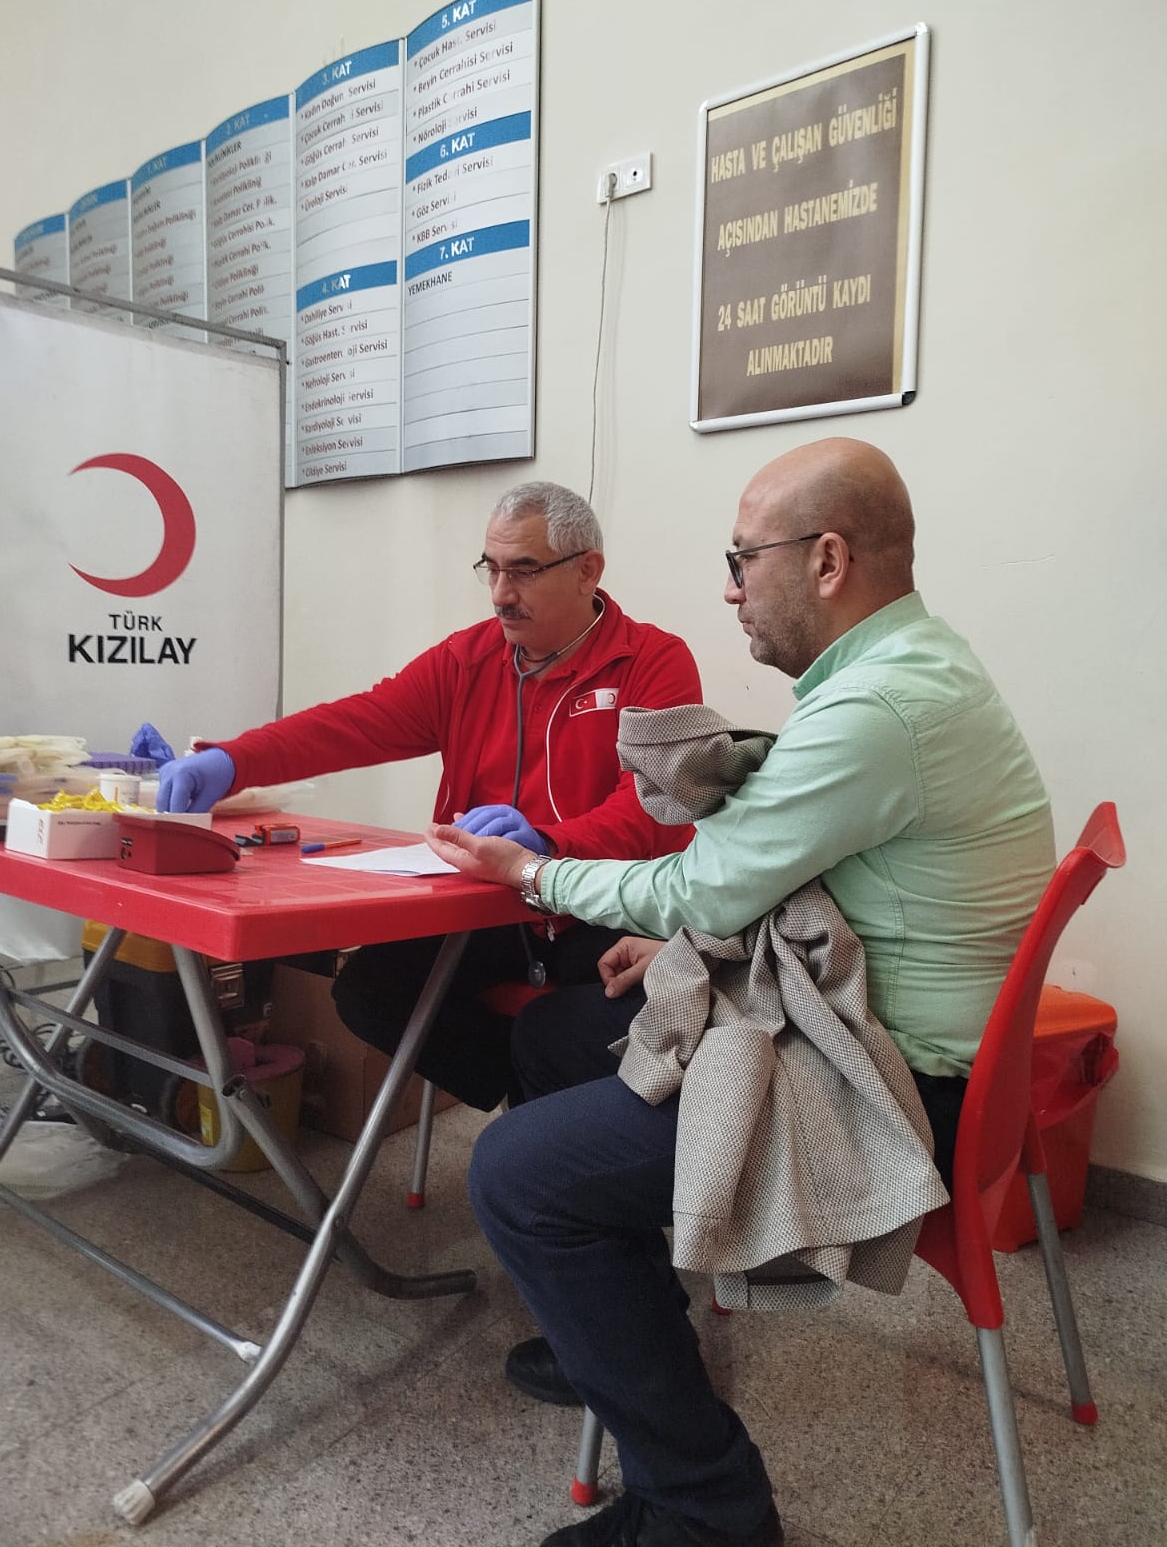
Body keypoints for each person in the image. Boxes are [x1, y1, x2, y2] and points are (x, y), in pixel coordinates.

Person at [425, 438, 1055, 1547]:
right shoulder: (908, 669)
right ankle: (620, 1327)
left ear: (826, 561)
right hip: (895, 1040)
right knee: (560, 1035)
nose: (729, 589)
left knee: (517, 1175)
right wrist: (685, 939)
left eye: (741, 559)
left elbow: (704, 879)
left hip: (895, 1089)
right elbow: (784, 878)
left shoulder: (877, 708)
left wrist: (532, 872)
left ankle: (706, 1507)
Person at [155, 481, 703, 1110]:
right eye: (491, 569)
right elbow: (356, 724)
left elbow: (652, 810)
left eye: (524, 570)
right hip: (485, 910)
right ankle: (520, 1096)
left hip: (604, 909)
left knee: (570, 1031)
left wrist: (549, 845)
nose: (500, 593)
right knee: (370, 991)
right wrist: (233, 761)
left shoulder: (653, 662)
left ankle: (536, 1104)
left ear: (587, 571)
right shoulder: (467, 661)